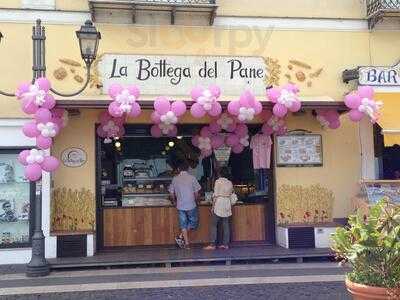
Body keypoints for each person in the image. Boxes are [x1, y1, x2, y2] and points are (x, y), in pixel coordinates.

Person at [169, 160, 201, 249]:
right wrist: (197, 200)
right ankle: (184, 242)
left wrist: (174, 201)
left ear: (179, 169)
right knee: (193, 223)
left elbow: (171, 194)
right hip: (191, 204)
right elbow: (197, 193)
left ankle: (183, 240)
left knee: (183, 224)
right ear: (188, 169)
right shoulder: (192, 178)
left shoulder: (175, 179)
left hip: (180, 205)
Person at [204, 167, 237, 250]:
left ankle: (212, 244)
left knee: (214, 224)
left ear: (220, 173)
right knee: (226, 224)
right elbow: (231, 193)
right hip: (227, 203)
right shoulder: (230, 182)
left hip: (219, 202)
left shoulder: (218, 181)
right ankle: (225, 244)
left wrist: (212, 207)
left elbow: (215, 195)